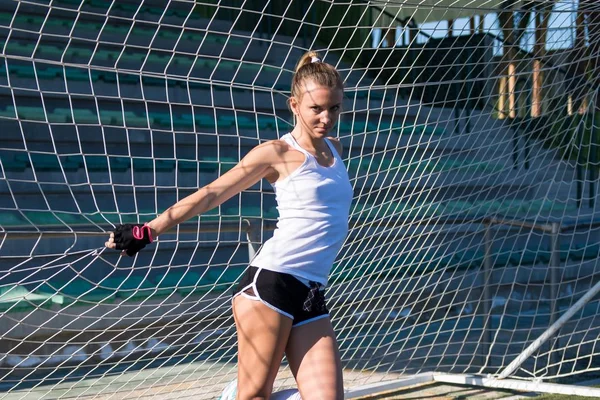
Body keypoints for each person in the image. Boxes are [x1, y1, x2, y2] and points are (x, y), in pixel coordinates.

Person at [105, 50, 352, 400]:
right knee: (253, 396)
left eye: (334, 109)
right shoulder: (276, 153)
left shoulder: (335, 148)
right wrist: (148, 230)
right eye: (316, 109)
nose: (326, 118)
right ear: (294, 105)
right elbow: (212, 194)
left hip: (311, 291)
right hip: (272, 285)